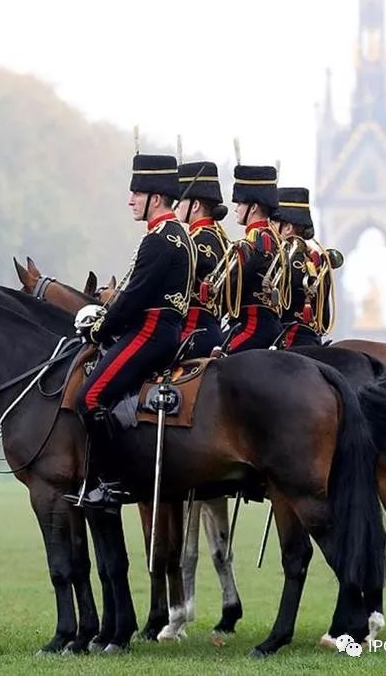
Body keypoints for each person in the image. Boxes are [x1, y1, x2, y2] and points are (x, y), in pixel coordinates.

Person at [71, 153, 194, 510]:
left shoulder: (157, 240)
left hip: (151, 331)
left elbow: (134, 300)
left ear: (155, 198)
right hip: (164, 328)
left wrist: (98, 329)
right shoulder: (178, 235)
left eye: (136, 194)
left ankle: (111, 483)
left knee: (89, 398)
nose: (130, 201)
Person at [227, 163, 284, 352]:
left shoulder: (257, 240)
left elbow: (233, 285)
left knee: (214, 365)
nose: (236, 208)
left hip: (253, 328)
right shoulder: (275, 239)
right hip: (271, 327)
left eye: (240, 203)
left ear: (253, 208)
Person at [175, 160, 229, 357]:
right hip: (214, 330)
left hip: (192, 332)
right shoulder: (221, 239)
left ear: (195, 205)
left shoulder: (194, 241)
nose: (177, 205)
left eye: (181, 200)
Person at [272, 187, 333, 347]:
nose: (270, 226)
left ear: (288, 228)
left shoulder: (281, 259)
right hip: (314, 340)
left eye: (274, 222)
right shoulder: (319, 261)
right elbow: (324, 318)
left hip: (287, 341)